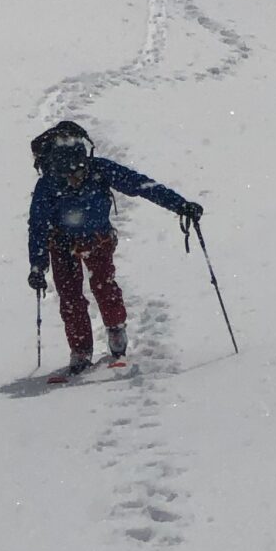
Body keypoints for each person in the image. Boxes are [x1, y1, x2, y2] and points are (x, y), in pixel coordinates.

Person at [26, 120, 202, 375]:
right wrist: (37, 266)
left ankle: (116, 329)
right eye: (68, 176)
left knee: (104, 285)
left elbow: (142, 185)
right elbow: (38, 226)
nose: (74, 180)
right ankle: (80, 350)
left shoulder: (100, 170)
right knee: (70, 297)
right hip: (61, 244)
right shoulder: (48, 185)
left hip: (97, 239)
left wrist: (180, 205)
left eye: (78, 173)